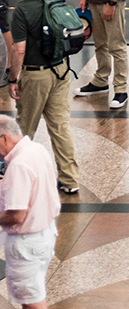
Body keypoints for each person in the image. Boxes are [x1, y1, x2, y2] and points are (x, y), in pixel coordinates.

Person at [9, 0, 80, 193]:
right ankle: (70, 180)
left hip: (36, 76)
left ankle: (18, 180)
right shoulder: (56, 0)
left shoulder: (23, 9)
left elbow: (19, 50)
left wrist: (13, 78)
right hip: (61, 71)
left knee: (24, 130)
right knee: (60, 127)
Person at [0, 112, 60, 309]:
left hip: (26, 245)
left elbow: (17, 215)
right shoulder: (37, 149)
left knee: (32, 302)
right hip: (45, 234)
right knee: (33, 295)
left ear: (4, 137)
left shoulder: (19, 165)